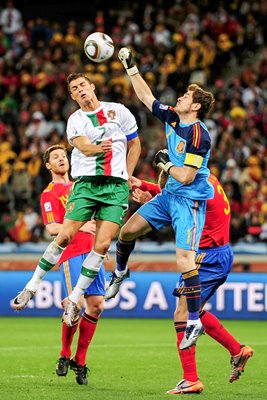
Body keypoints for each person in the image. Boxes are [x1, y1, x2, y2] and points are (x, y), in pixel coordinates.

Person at [105, 47, 215, 350]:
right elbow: (145, 97)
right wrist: (131, 67)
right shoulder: (173, 118)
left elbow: (187, 176)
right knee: (126, 232)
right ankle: (120, 273)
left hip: (189, 203)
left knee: (184, 260)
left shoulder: (198, 136)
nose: (179, 98)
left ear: (194, 107)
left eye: (185, 97)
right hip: (169, 196)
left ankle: (194, 322)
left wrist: (164, 163)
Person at [12, 73, 141, 328]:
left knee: (103, 246)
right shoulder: (76, 120)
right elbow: (82, 146)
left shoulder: (119, 111)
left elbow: (134, 144)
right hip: (87, 185)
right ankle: (31, 286)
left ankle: (73, 298)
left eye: (83, 85)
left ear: (92, 86)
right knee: (64, 236)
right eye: (74, 88)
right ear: (72, 96)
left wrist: (126, 175)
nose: (80, 90)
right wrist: (99, 148)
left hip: (115, 187)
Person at [127, 171, 254, 394]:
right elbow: (179, 192)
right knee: (196, 310)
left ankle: (191, 379)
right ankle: (237, 350)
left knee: (183, 314)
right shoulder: (205, 176)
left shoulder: (193, 187)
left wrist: (150, 195)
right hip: (216, 253)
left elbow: (177, 201)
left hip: (208, 258)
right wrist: (147, 186)